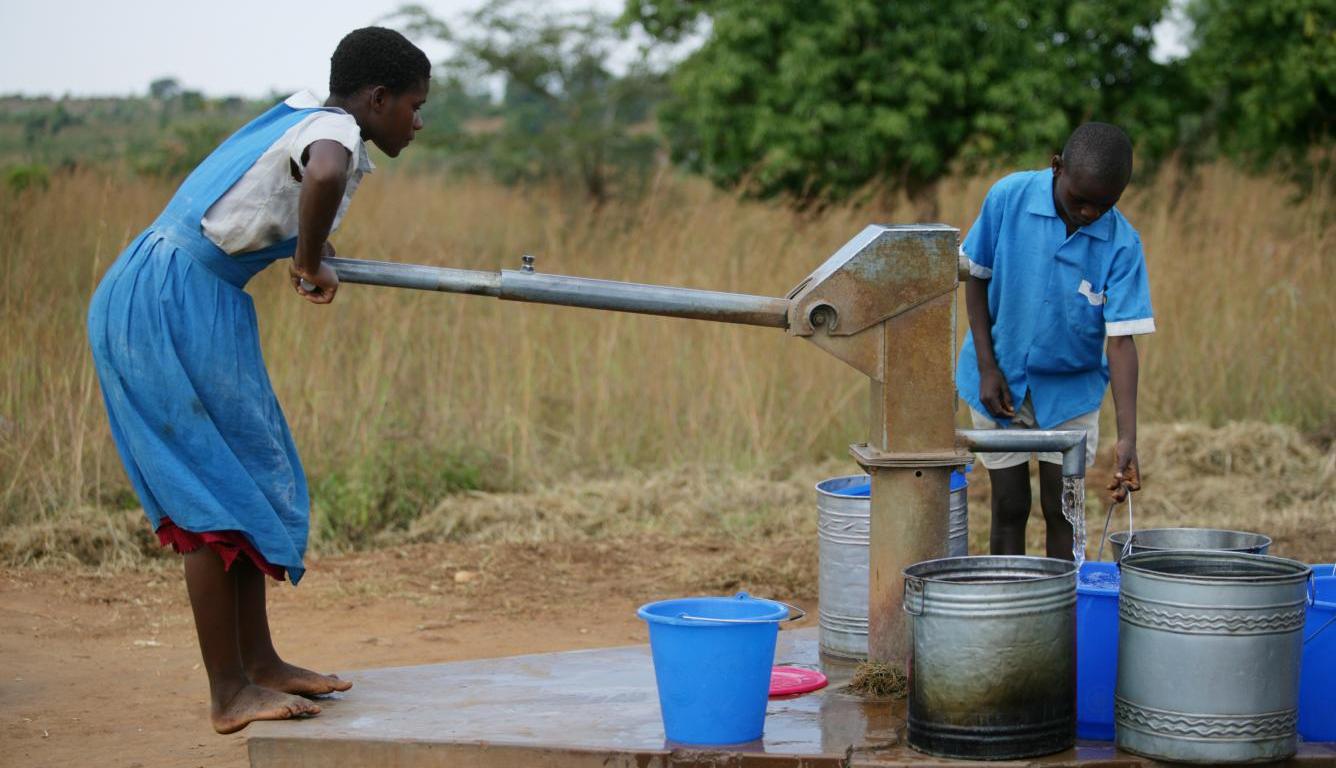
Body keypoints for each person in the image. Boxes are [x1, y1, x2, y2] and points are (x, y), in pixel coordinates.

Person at [86, 27, 430, 733]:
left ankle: (260, 665)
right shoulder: (333, 130)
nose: (417, 122)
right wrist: (307, 263)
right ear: (377, 98)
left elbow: (273, 198)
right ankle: (228, 692)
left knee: (241, 480)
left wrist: (312, 244)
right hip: (171, 301)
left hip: (185, 294)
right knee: (208, 496)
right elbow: (326, 174)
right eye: (414, 106)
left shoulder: (299, 113)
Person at [956, 122, 1154, 559]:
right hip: (997, 381)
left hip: (1070, 395)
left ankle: (1064, 618)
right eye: (1079, 200)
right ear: (1057, 167)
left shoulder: (1122, 244)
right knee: (1009, 505)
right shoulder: (1008, 198)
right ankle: (1008, 609)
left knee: (1063, 510)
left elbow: (1121, 343)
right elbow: (976, 278)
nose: (1089, 213)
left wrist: (1127, 438)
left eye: (1104, 205)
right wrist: (988, 367)